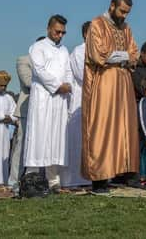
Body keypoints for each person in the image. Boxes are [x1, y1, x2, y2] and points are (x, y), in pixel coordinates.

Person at [81, 0, 140, 194]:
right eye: (122, 11)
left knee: (125, 127)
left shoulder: (126, 28)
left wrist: (122, 57)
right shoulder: (97, 24)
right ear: (112, 5)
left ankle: (125, 172)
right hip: (104, 82)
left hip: (123, 83)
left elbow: (135, 53)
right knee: (103, 126)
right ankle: (100, 178)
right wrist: (122, 56)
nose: (124, 16)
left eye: (127, 13)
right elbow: (98, 54)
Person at [24, 15, 73, 192]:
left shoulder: (64, 50)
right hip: (43, 98)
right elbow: (39, 70)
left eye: (63, 33)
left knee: (56, 138)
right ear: (48, 29)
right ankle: (31, 178)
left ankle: (53, 181)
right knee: (39, 135)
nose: (60, 35)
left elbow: (68, 71)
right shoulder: (37, 47)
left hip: (59, 101)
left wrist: (67, 84)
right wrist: (57, 86)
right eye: (57, 31)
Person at [9, 36, 44, 190]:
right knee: (21, 146)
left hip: (45, 111)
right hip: (27, 109)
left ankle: (37, 181)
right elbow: (28, 82)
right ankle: (14, 182)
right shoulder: (23, 60)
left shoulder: (50, 64)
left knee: (42, 147)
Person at [60, 22, 92, 188]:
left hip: (94, 101)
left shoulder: (98, 51)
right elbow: (83, 75)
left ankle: (91, 177)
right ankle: (76, 180)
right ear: (86, 34)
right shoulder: (79, 52)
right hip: (80, 100)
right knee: (78, 142)